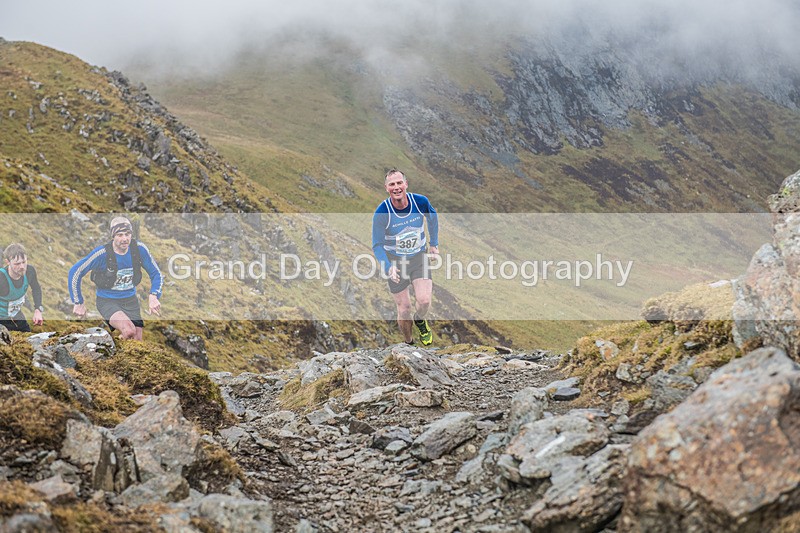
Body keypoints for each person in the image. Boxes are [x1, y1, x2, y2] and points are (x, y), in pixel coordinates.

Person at [372, 169, 439, 346]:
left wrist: (434, 244)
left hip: (418, 258)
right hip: (395, 262)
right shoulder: (382, 213)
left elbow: (432, 218)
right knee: (404, 309)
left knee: (424, 301)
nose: (396, 187)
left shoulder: (420, 202)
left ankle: (420, 320)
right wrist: (388, 267)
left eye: (399, 183)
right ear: (386, 188)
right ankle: (409, 343)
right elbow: (377, 245)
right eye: (392, 184)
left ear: (406, 184)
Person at [68, 216, 163, 340]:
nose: (125, 239)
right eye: (120, 235)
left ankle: (119, 343)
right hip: (107, 301)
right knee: (129, 331)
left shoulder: (139, 249)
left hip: (130, 300)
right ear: (113, 236)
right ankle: (117, 342)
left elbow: (156, 273)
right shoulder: (102, 254)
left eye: (127, 234)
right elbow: (75, 272)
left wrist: (154, 295)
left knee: (137, 340)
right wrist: (78, 302)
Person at [0, 243, 44, 332]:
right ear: (8, 262)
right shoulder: (2, 278)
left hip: (16, 314)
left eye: (24, 262)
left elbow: (36, 289)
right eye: (17, 264)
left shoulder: (30, 271)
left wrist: (38, 310)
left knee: (27, 338)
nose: (22, 267)